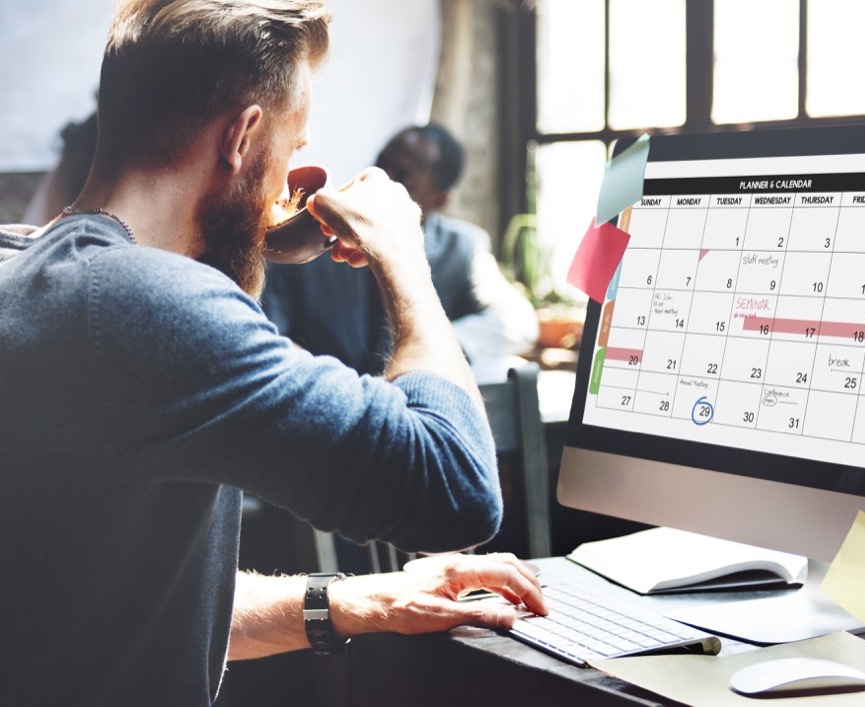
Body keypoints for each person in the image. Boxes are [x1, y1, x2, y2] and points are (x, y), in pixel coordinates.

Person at [0, 2, 545, 705]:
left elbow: (115, 609)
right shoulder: (148, 306)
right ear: (243, 136)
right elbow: (458, 487)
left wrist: (366, 599)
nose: (289, 178)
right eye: (292, 148)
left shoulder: (30, 269)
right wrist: (404, 258)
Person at [262, 123, 539, 379]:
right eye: (382, 163)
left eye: (404, 175)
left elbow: (517, 321)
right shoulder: (314, 237)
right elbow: (268, 333)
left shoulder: (463, 248)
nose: (383, 178)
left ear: (439, 198)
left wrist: (427, 352)